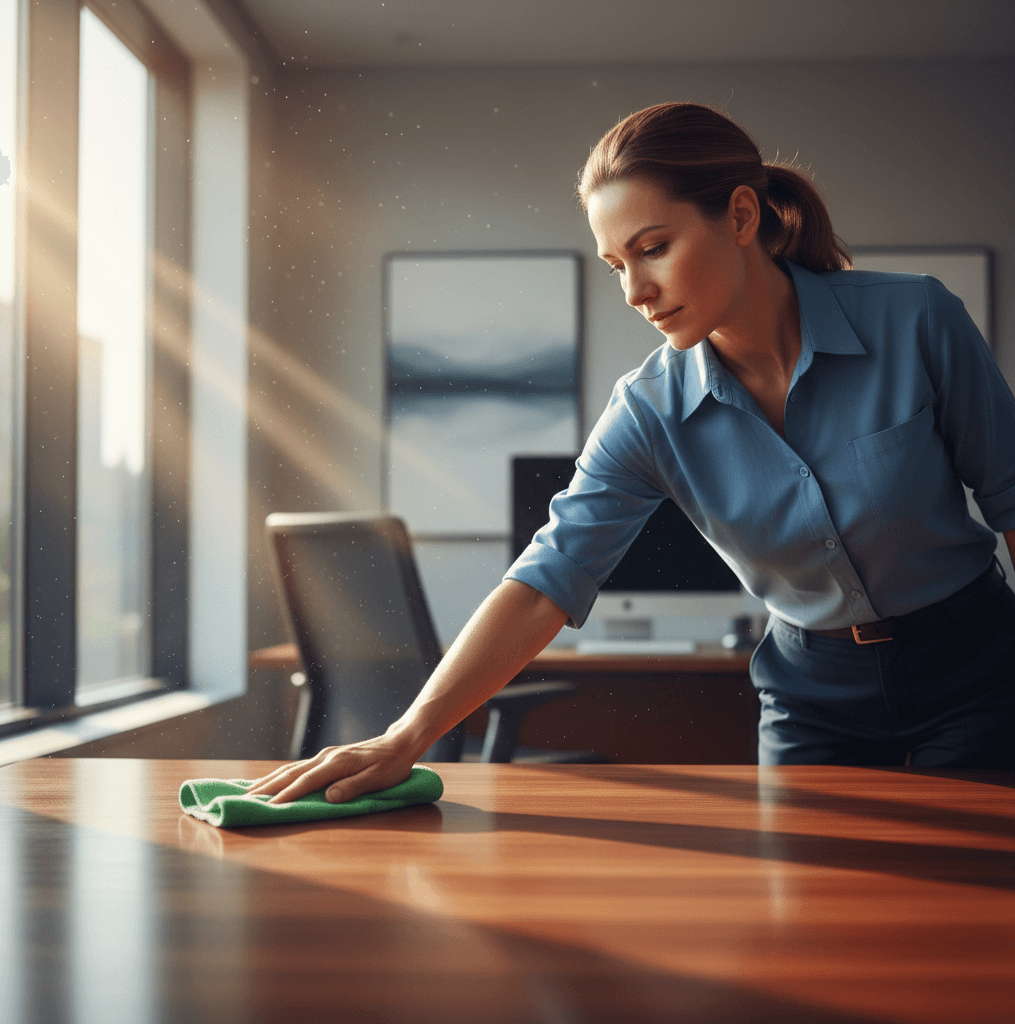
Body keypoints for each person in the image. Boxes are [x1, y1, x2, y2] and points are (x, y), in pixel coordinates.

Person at [248, 102, 1015, 806]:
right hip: (814, 696)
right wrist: (405, 735)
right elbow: (548, 576)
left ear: (740, 214)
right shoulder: (650, 410)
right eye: (617, 265)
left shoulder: (915, 319)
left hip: (975, 669)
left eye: (653, 249)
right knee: (809, 927)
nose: (635, 293)